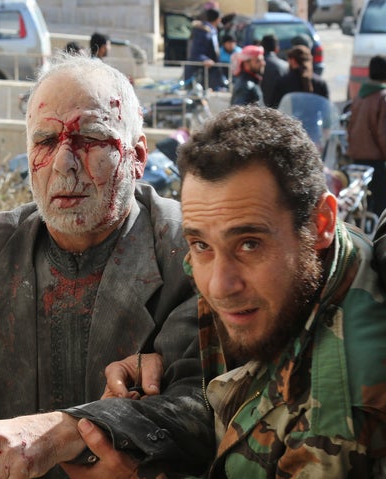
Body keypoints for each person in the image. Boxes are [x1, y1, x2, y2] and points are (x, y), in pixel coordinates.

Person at [0, 51, 214, 479]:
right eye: (46, 141)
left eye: (91, 139)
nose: (64, 163)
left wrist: (66, 429)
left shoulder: (193, 252)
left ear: (137, 156)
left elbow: (207, 401)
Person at [100, 105, 386, 477]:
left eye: (249, 244)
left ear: (321, 224)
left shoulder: (335, 421)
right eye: (200, 244)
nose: (219, 285)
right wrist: (168, 360)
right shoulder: (311, 261)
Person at [347, 54, 386, 216]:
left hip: (356, 162)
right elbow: (383, 133)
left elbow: (350, 127)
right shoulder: (382, 98)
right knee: (379, 211)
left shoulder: (359, 97)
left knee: (362, 211)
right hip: (376, 164)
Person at [184, 8, 226, 91]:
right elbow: (196, 52)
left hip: (210, 74)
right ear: (218, 19)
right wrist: (205, 59)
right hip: (199, 72)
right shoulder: (203, 31)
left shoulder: (212, 30)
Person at [260, 34, 289, 108]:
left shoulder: (256, 65)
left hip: (259, 110)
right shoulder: (285, 66)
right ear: (277, 48)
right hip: (279, 110)